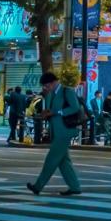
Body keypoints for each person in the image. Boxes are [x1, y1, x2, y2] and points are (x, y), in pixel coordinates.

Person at [26, 70, 83, 200]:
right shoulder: (51, 93)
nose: (45, 88)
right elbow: (51, 110)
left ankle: (38, 186)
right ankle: (75, 187)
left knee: (51, 160)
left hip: (65, 130)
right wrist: (46, 113)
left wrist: (57, 112)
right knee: (64, 162)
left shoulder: (66, 91)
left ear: (53, 82)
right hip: (56, 130)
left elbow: (75, 107)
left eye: (46, 85)